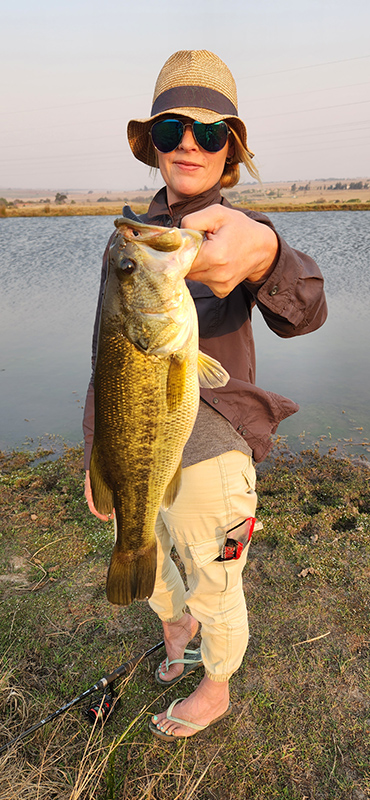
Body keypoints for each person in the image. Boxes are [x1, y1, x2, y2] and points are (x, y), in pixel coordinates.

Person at [83, 50, 327, 741]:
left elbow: (304, 310)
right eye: (170, 131)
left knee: (216, 576)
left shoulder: (240, 235)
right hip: (135, 447)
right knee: (147, 547)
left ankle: (216, 683)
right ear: (151, 146)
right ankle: (172, 620)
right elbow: (106, 361)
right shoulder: (137, 241)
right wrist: (94, 451)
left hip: (214, 448)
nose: (188, 142)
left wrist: (268, 256)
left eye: (210, 132)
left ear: (232, 152)